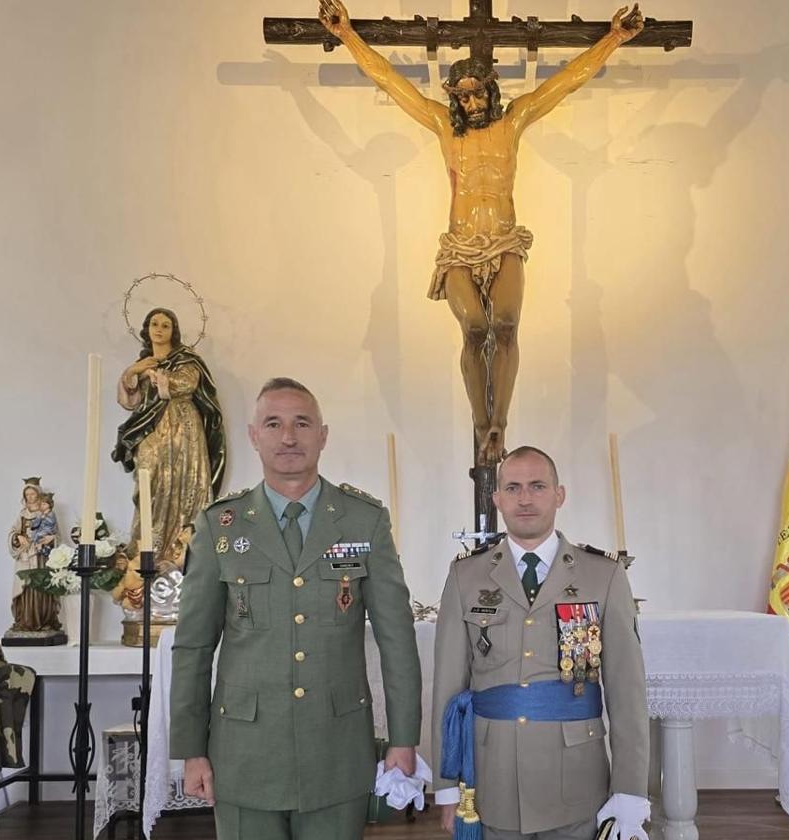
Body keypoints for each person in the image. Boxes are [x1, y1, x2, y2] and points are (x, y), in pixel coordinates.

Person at [318, 1, 645, 465]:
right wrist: (348, 35)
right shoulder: (443, 128)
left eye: (476, 94)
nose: (469, 104)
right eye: (462, 97)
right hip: (459, 247)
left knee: (507, 326)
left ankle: (500, 423)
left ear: (491, 91)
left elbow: (567, 82)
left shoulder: (513, 124)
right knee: (474, 329)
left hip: (505, 239)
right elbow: (389, 81)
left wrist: (613, 39)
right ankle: (480, 423)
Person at [170, 377, 421, 840]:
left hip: (337, 751)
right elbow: (192, 646)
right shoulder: (219, 526)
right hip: (244, 753)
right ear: (254, 435)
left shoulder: (364, 519)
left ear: (323, 435)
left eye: (302, 423)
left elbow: (398, 638)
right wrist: (191, 749)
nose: (289, 437)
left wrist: (404, 739)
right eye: (274, 423)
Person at [431, 446, 650, 839]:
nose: (525, 498)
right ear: (497, 499)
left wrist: (631, 789)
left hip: (576, 779)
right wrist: (447, 785)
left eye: (537, 486)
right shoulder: (466, 576)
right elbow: (448, 688)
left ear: (559, 494)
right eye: (513, 488)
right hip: (493, 777)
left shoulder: (603, 576)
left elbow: (627, 693)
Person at [111, 307, 226, 607]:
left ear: (174, 330)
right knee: (150, 486)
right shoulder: (141, 363)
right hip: (151, 432)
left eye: (165, 324)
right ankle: (149, 550)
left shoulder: (187, 360)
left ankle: (182, 550)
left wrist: (160, 377)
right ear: (146, 329)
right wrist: (133, 373)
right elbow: (131, 401)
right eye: (153, 324)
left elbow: (187, 384)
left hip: (184, 429)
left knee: (185, 483)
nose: (159, 329)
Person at [6, 480, 60, 633]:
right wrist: (18, 537)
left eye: (32, 494)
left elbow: (57, 535)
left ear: (38, 494)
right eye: (27, 494)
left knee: (41, 586)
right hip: (26, 556)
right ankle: (26, 620)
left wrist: (52, 539)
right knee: (26, 585)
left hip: (42, 557)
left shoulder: (48, 513)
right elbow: (12, 532)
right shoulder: (22, 515)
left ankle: (44, 619)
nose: (30, 497)